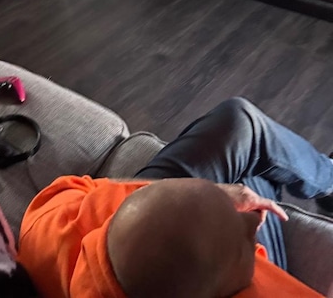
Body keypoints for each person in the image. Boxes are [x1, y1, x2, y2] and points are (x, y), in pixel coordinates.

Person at [18, 98, 333, 298]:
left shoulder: (50, 226)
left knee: (241, 126)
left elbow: (89, 189)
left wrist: (214, 195)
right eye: (244, 246)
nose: (252, 218)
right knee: (258, 170)